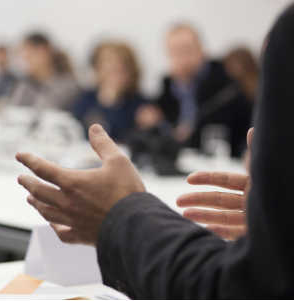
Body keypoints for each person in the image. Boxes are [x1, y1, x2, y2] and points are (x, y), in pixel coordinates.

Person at [15, 4, 294, 298]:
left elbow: (238, 287)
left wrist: (122, 214)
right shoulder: (164, 88)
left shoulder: (224, 86)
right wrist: (279, 223)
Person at [154, 23, 253, 157]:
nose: (181, 58)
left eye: (186, 50)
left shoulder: (225, 83)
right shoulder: (167, 88)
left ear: (201, 50)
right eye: (174, 52)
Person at [72, 41, 146, 142]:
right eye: (109, 68)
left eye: (120, 70)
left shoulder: (141, 104)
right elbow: (76, 130)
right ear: (98, 69)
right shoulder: (86, 99)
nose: (114, 74)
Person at [9, 32, 79, 111]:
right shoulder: (24, 86)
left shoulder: (67, 85)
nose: (24, 61)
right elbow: (14, 111)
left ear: (44, 52)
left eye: (29, 56)